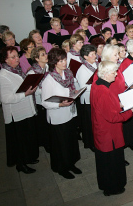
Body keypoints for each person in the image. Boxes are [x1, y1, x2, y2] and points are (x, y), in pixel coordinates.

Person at [91, 61, 133, 196]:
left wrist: (120, 104)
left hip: (103, 131)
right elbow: (112, 117)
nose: (116, 74)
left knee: (105, 162)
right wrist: (131, 111)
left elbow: (107, 107)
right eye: (114, 72)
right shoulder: (103, 91)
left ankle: (107, 185)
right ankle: (112, 188)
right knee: (111, 162)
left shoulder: (97, 85)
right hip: (108, 133)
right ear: (106, 74)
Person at [41, 48, 81, 179]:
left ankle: (71, 163)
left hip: (69, 113)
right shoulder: (49, 80)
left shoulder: (68, 73)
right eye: (61, 61)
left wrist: (76, 93)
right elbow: (45, 103)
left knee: (70, 141)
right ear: (54, 62)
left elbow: (71, 89)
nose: (64, 63)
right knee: (61, 144)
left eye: (65, 60)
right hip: (57, 116)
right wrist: (60, 104)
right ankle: (61, 167)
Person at [0, 46, 39, 174]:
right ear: (5, 60)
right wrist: (25, 94)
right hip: (16, 113)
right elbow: (5, 98)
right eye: (13, 57)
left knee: (27, 137)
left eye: (17, 56)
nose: (17, 59)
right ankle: (20, 164)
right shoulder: (3, 75)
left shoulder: (17, 70)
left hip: (25, 109)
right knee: (19, 141)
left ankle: (28, 158)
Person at [27, 46, 50, 153]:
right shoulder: (32, 73)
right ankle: (46, 144)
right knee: (43, 125)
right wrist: (48, 88)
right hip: (40, 102)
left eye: (45, 53)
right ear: (36, 58)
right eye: (42, 54)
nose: (46, 55)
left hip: (49, 99)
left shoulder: (48, 67)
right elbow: (34, 91)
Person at [76, 44, 98, 151]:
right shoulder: (82, 69)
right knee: (89, 123)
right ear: (85, 56)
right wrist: (97, 83)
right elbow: (83, 87)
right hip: (88, 100)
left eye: (95, 53)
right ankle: (91, 143)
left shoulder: (96, 64)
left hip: (96, 98)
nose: (95, 56)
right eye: (92, 54)